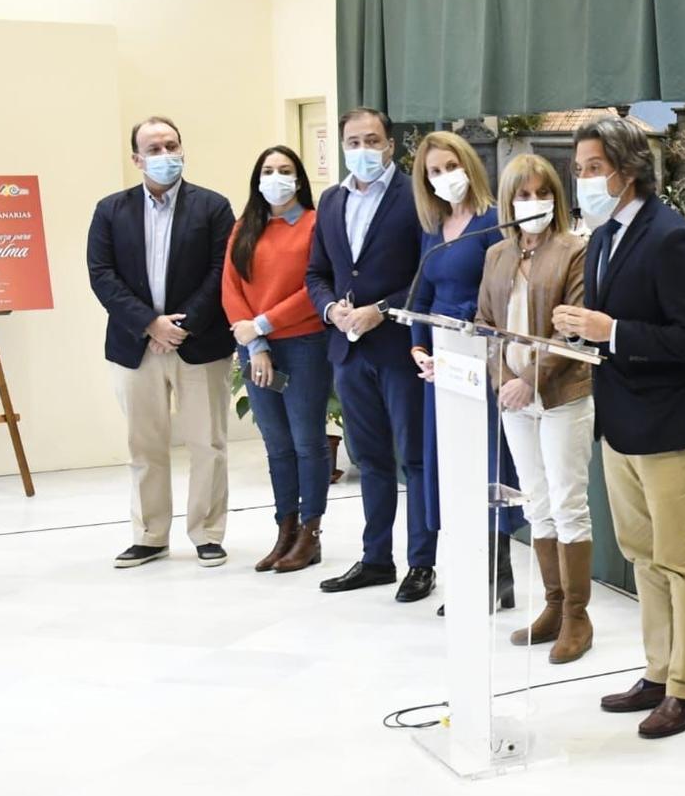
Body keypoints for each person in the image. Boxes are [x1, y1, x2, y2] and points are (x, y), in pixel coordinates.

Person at [552, 117, 685, 739]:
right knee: (643, 557)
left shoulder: (670, 236)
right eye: (580, 169)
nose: (584, 180)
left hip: (670, 422)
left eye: (594, 168)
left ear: (627, 170)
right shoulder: (600, 237)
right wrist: (580, 331)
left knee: (682, 562)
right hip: (620, 419)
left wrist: (610, 331)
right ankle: (657, 672)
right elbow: (608, 324)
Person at [85, 116, 235, 568]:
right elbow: (101, 275)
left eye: (172, 145)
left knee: (207, 443)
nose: (165, 155)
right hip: (136, 347)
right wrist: (150, 324)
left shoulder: (212, 206)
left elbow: (220, 273)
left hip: (199, 344)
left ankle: (207, 532)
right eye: (154, 148)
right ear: (136, 159)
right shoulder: (111, 210)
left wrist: (179, 326)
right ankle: (150, 534)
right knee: (144, 445)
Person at [305, 107, 437, 603]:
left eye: (372, 140)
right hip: (348, 350)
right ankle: (376, 557)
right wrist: (330, 311)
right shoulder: (331, 199)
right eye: (353, 141)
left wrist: (381, 310)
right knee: (371, 459)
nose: (363, 149)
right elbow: (316, 272)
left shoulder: (414, 197)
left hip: (400, 348)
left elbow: (428, 271)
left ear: (390, 146)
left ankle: (421, 562)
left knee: (415, 460)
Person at [477, 154, 595, 662]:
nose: (533, 203)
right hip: (513, 399)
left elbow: (570, 329)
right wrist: (504, 380)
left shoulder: (575, 250)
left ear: (557, 198)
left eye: (542, 193)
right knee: (536, 502)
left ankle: (577, 616)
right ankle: (551, 605)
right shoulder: (496, 255)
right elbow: (484, 325)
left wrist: (530, 379)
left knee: (568, 504)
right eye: (523, 196)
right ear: (508, 202)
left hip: (563, 393)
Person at [405, 131, 517, 611]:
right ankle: (468, 573)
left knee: (485, 465)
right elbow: (422, 297)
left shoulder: (492, 222)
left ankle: (496, 576)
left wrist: (472, 334)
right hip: (442, 369)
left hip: (482, 360)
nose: (444, 177)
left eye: (451, 166)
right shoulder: (433, 228)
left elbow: (505, 292)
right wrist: (419, 348)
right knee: (448, 468)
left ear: (469, 165)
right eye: (434, 171)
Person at [221, 146, 328, 574]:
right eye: (268, 170)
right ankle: (284, 528)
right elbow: (230, 285)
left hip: (304, 345)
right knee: (277, 444)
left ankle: (310, 532)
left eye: (285, 170)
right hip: (255, 350)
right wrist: (255, 343)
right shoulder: (245, 226)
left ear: (299, 179)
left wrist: (264, 323)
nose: (276, 178)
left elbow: (315, 287)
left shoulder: (315, 224)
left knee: (307, 442)